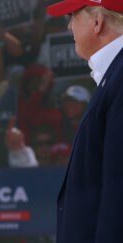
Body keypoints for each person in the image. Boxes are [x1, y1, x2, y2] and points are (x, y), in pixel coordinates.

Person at [47, 0, 123, 242]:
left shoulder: (120, 79)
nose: (69, 26)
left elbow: (118, 186)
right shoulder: (113, 77)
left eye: (72, 16)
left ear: (97, 22)